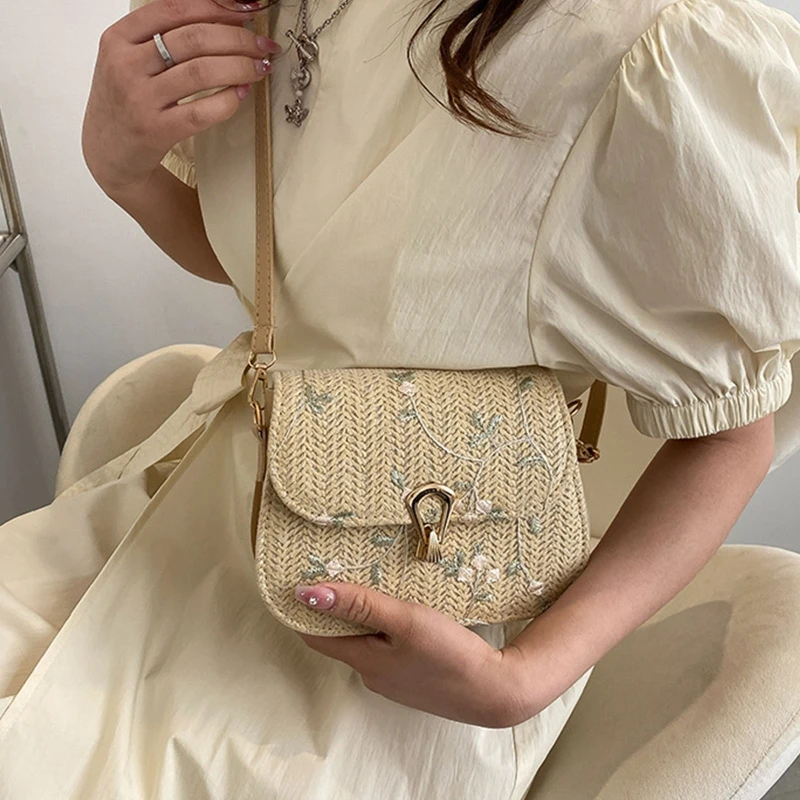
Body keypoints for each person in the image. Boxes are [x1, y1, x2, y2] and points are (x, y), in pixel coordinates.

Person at [1, 0, 799, 796]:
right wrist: (122, 167)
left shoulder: (634, 44)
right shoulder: (263, 8)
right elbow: (269, 269)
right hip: (179, 515)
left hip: (403, 624)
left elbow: (727, 436)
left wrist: (524, 678)